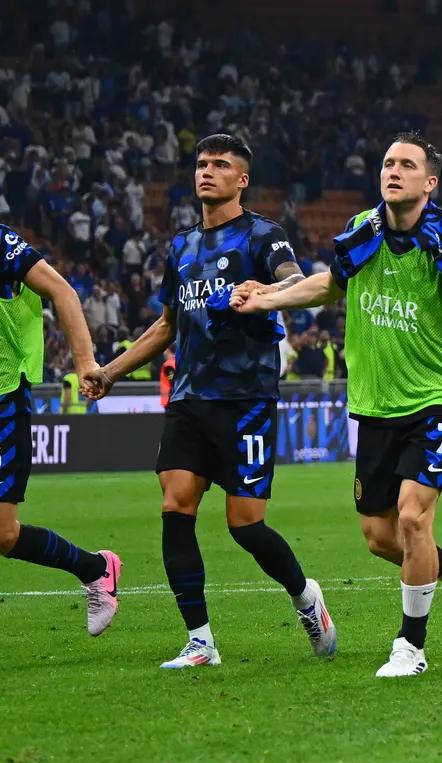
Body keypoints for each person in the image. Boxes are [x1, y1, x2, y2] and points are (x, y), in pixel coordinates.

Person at [235, 134, 442, 677]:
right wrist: (268, 299)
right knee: (379, 538)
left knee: (414, 518)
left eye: (407, 164)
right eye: (388, 163)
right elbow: (329, 287)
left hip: (438, 397)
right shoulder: (361, 231)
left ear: (430, 182)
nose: (393, 171)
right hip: (376, 403)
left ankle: (410, 646)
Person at [85, 133, 337, 667]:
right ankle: (200, 640)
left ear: (241, 179)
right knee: (175, 507)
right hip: (190, 397)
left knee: (246, 526)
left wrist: (263, 291)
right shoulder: (181, 247)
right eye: (202, 163)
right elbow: (166, 326)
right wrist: (109, 372)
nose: (207, 171)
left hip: (246, 399)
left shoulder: (263, 235)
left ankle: (305, 597)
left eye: (220, 165)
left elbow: (296, 282)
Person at [0, 222, 121, 636]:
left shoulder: (2, 242)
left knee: (4, 534)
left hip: (4, 397)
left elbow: (63, 291)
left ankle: (96, 568)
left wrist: (85, 363)